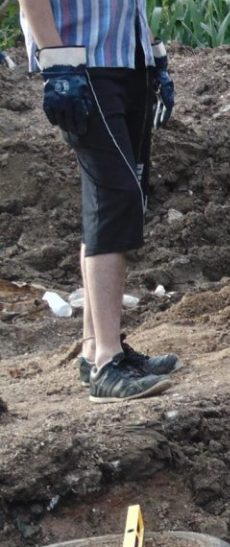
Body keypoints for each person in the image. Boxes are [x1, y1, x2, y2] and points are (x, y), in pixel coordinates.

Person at [19, 0, 179, 402]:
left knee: (114, 197)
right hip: (82, 64)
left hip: (131, 59)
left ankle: (96, 351)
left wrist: (154, 50)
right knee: (116, 195)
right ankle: (109, 362)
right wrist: (55, 63)